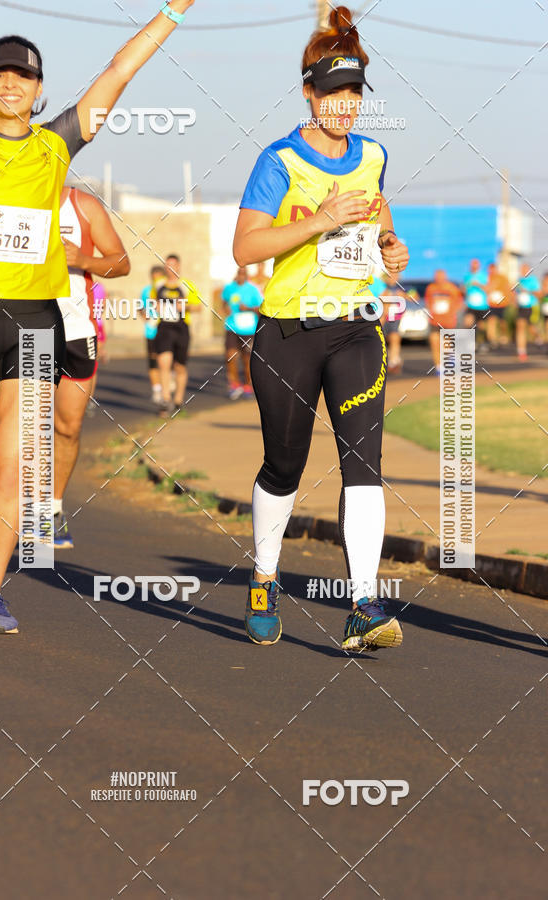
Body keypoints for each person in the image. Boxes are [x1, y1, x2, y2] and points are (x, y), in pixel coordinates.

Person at [0, 2, 195, 634]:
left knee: (14, 469)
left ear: (38, 90)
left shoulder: (58, 142)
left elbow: (120, 70)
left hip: (35, 327)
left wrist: (172, 12)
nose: (10, 85)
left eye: (22, 77)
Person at [233, 6, 409, 650]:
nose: (343, 106)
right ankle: (264, 577)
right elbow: (245, 248)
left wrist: (392, 246)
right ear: (308, 92)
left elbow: (381, 218)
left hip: (356, 327)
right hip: (287, 332)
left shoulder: (375, 155)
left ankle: (363, 605)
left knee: (363, 463)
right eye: (332, 93)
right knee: (284, 464)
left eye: (354, 94)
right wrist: (318, 219)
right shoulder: (278, 160)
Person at [53, 186, 130, 549]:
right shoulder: (7, 195)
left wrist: (83, 260)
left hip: (75, 329)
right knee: (18, 426)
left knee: (66, 427)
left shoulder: (82, 205)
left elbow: (121, 262)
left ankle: (50, 510)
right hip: (20, 327)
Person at [153, 254, 201, 416]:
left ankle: (178, 400)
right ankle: (166, 400)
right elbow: (152, 302)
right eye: (167, 265)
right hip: (164, 327)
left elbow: (198, 307)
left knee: (179, 366)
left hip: (181, 327)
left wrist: (185, 306)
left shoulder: (187, 285)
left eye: (173, 265)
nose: (170, 268)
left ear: (179, 266)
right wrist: (155, 307)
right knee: (164, 363)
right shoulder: (158, 284)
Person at [222, 266, 262, 399]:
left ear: (247, 275)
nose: (241, 275)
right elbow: (223, 303)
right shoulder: (229, 288)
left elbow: (261, 308)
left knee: (247, 358)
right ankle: (234, 384)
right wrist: (225, 308)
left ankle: (248, 384)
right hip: (232, 327)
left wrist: (248, 308)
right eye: (239, 273)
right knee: (230, 355)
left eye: (244, 273)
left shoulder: (253, 289)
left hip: (248, 328)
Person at [424, 269, 463, 373]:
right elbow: (428, 301)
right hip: (434, 320)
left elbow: (459, 302)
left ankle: (449, 361)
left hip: (448, 321)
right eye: (437, 276)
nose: (439, 279)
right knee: (434, 342)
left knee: (446, 344)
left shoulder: (451, 288)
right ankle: (438, 367)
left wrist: (452, 312)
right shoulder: (431, 288)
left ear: (445, 277)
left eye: (441, 276)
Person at [141, 264, 166, 405]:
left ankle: (168, 383)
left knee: (166, 360)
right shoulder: (146, 291)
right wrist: (143, 314)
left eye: (159, 278)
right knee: (153, 359)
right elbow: (141, 307)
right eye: (153, 278)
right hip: (151, 330)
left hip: (166, 330)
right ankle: (157, 389)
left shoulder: (167, 290)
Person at [378, 272, 409, 375]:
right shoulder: (382, 287)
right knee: (382, 340)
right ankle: (389, 361)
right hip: (383, 317)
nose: (393, 278)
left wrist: (404, 295)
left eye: (395, 276)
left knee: (395, 337)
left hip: (395, 318)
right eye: (390, 276)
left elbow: (414, 296)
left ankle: (393, 361)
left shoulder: (402, 287)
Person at [514, 263, 540, 361]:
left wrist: (528, 291)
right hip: (521, 308)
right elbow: (515, 293)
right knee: (520, 326)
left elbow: (539, 294)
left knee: (531, 328)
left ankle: (539, 340)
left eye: (525, 269)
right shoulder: (519, 281)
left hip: (532, 307)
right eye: (522, 269)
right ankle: (521, 352)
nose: (523, 271)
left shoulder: (533, 281)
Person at [485, 262, 512, 349]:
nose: (491, 271)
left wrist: (509, 299)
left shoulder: (502, 278)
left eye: (492, 269)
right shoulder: (487, 278)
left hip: (502, 303)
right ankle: (492, 340)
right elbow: (486, 289)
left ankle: (503, 336)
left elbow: (508, 289)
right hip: (492, 304)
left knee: (502, 322)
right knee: (491, 321)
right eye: (489, 269)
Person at [462, 258, 489, 342]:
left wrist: (478, 284)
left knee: (481, 326)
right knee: (468, 323)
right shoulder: (467, 276)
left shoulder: (484, 275)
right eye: (472, 264)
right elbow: (464, 289)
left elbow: (488, 289)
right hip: (470, 304)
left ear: (479, 266)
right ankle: (470, 343)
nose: (474, 266)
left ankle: (483, 342)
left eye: (475, 264)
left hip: (482, 305)